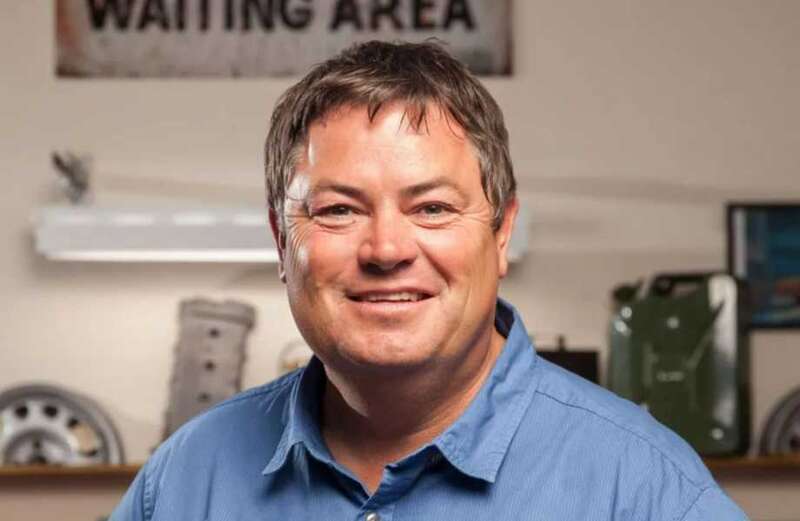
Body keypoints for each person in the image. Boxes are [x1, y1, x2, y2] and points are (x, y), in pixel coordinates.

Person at [110, 41, 748, 520]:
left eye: (432, 208)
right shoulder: (183, 482)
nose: (386, 248)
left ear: (500, 233)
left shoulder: (645, 489)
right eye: (338, 210)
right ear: (283, 242)